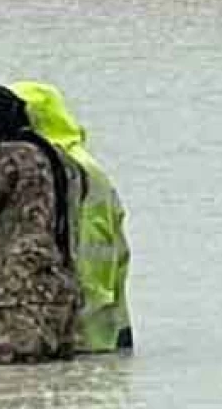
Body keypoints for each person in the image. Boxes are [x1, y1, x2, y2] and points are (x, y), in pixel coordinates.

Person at [0, 84, 84, 364]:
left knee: (15, 390)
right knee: (54, 395)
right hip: (63, 289)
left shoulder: (7, 157)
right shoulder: (62, 159)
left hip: (19, 297)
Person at [10, 81, 134, 353]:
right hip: (107, 312)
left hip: (87, 317)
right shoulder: (79, 163)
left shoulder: (63, 168)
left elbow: (89, 243)